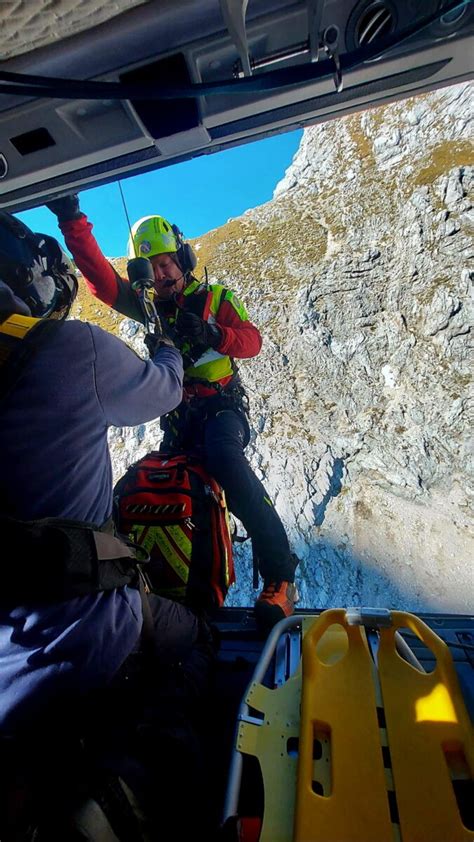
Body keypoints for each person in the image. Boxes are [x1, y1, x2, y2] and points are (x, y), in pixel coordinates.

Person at [47, 195, 299, 627]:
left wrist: (213, 332)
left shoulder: (216, 297)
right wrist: (72, 220)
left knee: (223, 458)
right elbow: (100, 280)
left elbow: (251, 341)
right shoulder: (148, 306)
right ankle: (164, 580)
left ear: (181, 259)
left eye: (167, 263)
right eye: (153, 267)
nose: (162, 274)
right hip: (178, 417)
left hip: (222, 408)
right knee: (147, 482)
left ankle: (280, 577)